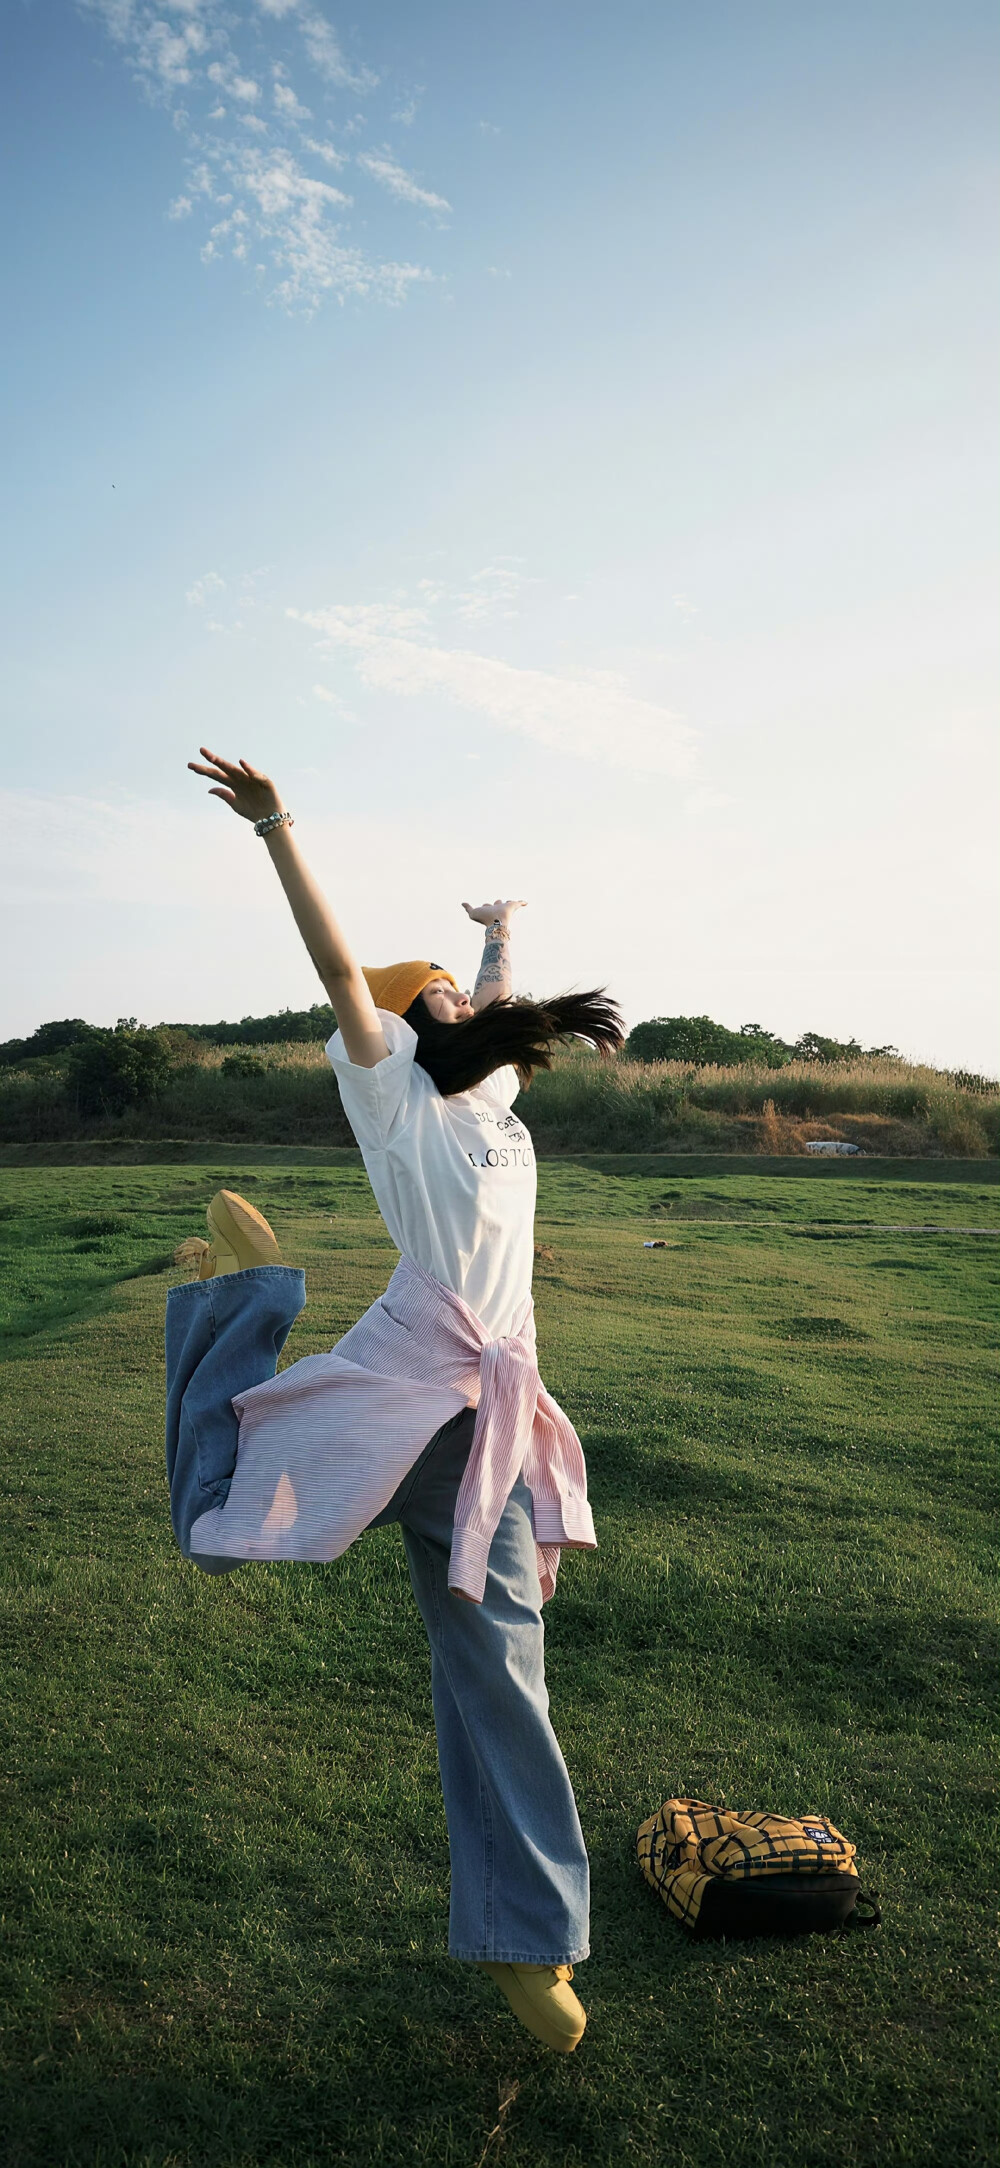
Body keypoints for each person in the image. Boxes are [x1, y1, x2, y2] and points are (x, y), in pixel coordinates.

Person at [166, 748, 624, 2053]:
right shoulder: (394, 1094)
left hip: (494, 1412)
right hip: (405, 1386)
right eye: (436, 993)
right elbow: (335, 971)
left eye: (459, 991)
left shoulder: (494, 1093)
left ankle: (525, 1940)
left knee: (501, 1669)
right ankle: (236, 1306)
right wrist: (277, 828)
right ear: (407, 1023)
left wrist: (501, 931)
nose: (462, 1001)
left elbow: (500, 1002)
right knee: (220, 1530)